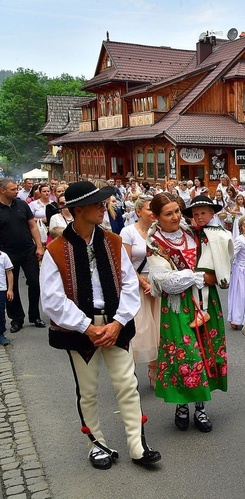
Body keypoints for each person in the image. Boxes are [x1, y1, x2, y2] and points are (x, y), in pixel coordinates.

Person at [39, 181, 161, 470]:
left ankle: (137, 445)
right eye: (96, 204)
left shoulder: (113, 241)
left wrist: (118, 322)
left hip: (114, 324)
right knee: (88, 389)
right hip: (80, 330)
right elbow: (52, 300)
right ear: (78, 210)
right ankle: (97, 444)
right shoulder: (56, 250)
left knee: (127, 384)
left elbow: (129, 284)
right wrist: (87, 327)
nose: (103, 207)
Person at [146, 193, 232, 433]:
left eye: (177, 211)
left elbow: (219, 257)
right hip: (178, 304)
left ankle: (200, 407)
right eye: (168, 213)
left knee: (205, 349)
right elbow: (166, 282)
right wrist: (196, 276)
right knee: (185, 355)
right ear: (156, 217)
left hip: (206, 300)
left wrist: (215, 274)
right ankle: (182, 404)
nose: (175, 217)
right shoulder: (155, 243)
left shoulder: (194, 232)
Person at [120, 195, 160, 388]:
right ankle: (129, 372)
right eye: (149, 209)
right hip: (137, 285)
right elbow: (125, 262)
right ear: (138, 212)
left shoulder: (159, 231)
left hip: (159, 284)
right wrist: (143, 283)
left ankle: (155, 369)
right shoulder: (128, 232)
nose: (153, 212)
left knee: (158, 328)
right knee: (139, 330)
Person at [0, 179, 45, 333]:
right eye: (13, 189)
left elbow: (32, 225)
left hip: (27, 250)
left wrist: (39, 246)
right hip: (7, 253)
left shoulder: (22, 205)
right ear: (2, 190)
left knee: (34, 282)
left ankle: (35, 315)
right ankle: (16, 318)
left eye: (17, 188)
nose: (17, 191)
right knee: (11, 288)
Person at [0, 250, 13, 346]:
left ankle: (1, 334)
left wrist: (10, 289)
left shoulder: (3, 256)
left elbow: (9, 273)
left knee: (1, 313)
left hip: (1, 289)